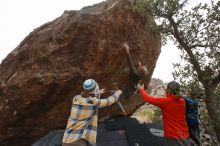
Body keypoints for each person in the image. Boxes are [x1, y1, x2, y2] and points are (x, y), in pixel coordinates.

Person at [62, 79, 122, 146]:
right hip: (77, 142)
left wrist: (97, 93)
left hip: (66, 140)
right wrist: (116, 95)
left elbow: (91, 99)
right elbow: (107, 101)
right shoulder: (92, 103)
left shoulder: (76, 98)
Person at [137, 81, 195, 146]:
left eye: (167, 87)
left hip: (172, 138)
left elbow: (148, 99)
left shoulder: (166, 102)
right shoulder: (182, 101)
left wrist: (141, 89)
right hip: (184, 137)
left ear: (169, 89)